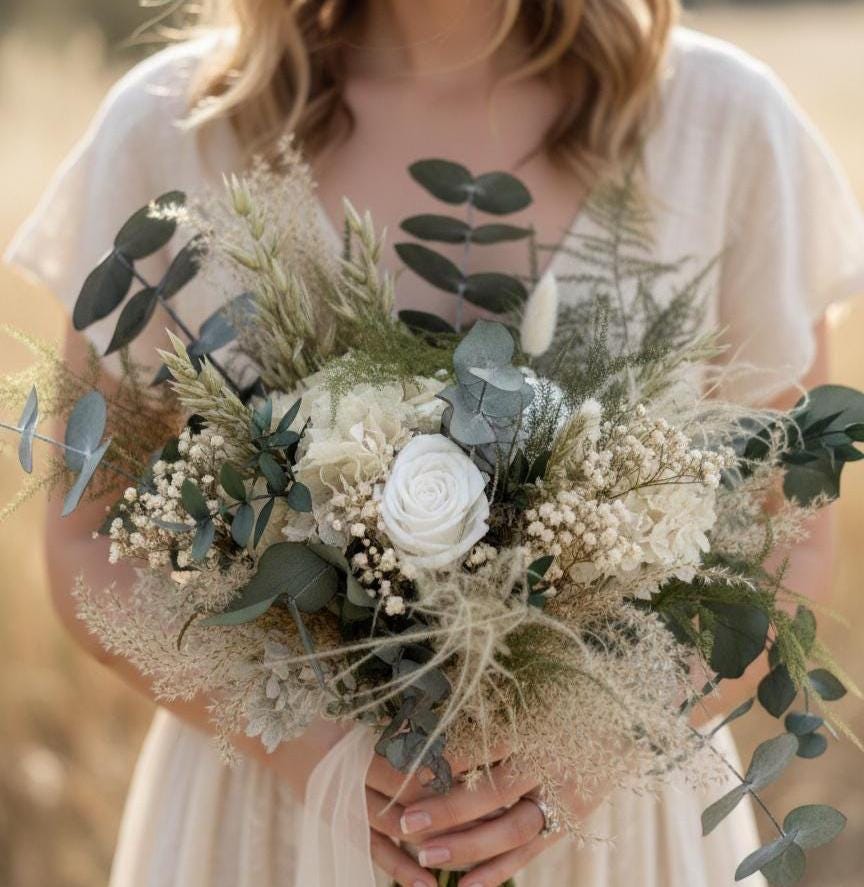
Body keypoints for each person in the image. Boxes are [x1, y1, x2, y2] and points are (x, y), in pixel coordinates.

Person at [6, 2, 864, 885]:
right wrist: (312, 752)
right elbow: (89, 530)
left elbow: (785, 532)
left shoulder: (720, 124)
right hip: (271, 828)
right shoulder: (174, 129)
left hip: (617, 842)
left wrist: (596, 747)